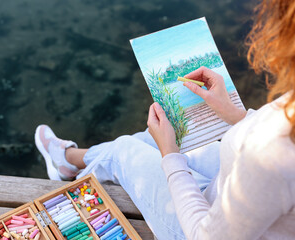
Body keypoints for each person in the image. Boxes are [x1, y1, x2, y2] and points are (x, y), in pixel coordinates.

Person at [34, 0, 295, 239]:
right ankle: (71, 163)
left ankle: (67, 162)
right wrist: (236, 115)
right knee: (151, 137)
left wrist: (170, 156)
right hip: (240, 195)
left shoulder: (270, 159)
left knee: (125, 150)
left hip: (199, 222)